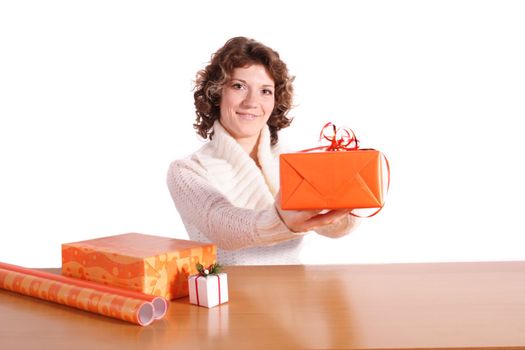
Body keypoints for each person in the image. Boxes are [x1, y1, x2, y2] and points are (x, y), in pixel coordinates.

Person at [167, 37, 359, 265]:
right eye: (238, 86)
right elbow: (222, 226)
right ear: (216, 93)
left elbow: (337, 230)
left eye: (265, 91)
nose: (251, 102)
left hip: (294, 293)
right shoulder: (187, 171)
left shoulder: (293, 162)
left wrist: (345, 205)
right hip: (227, 296)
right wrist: (281, 220)